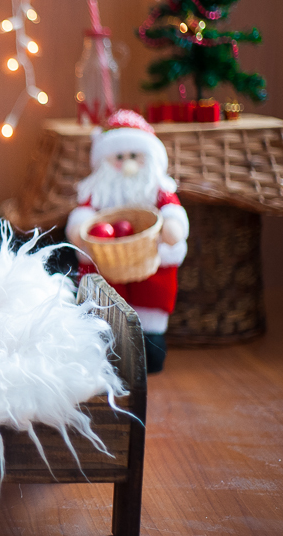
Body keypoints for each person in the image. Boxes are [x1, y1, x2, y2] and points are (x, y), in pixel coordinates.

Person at [65, 109, 189, 373]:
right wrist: (79, 229)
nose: (127, 163)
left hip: (150, 259)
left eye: (134, 155)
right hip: (106, 257)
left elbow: (172, 211)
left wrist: (173, 227)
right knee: (104, 302)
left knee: (151, 300)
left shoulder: (159, 188)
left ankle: (149, 339)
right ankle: (107, 341)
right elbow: (82, 215)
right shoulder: (97, 190)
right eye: (119, 157)